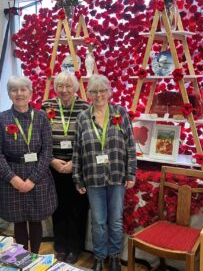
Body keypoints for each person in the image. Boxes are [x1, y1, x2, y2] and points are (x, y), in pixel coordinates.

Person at [72, 74, 137, 271]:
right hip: (92, 178)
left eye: (102, 91)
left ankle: (115, 256)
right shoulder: (83, 117)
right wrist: (77, 178)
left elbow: (130, 146)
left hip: (117, 176)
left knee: (115, 220)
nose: (98, 95)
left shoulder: (120, 113)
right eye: (94, 91)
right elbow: (77, 150)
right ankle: (100, 257)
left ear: (109, 92)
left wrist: (131, 173)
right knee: (98, 221)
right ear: (89, 94)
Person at [0, 75, 57, 253]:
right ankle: (23, 257)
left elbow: (47, 150)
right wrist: (13, 179)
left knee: (35, 218)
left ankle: (35, 256)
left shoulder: (41, 117)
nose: (19, 94)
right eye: (14, 90)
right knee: (18, 219)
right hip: (12, 174)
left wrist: (32, 179)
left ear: (30, 93)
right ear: (9, 94)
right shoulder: (2, 119)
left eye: (23, 89)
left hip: (37, 175)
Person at [41, 71, 89, 264]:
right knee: (58, 207)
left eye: (68, 86)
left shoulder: (85, 108)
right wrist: (51, 160)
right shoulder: (47, 106)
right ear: (55, 88)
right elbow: (41, 137)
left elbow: (89, 140)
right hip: (54, 166)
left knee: (77, 209)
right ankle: (60, 246)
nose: (64, 90)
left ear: (75, 88)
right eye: (60, 86)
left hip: (77, 167)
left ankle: (75, 248)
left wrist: (75, 163)